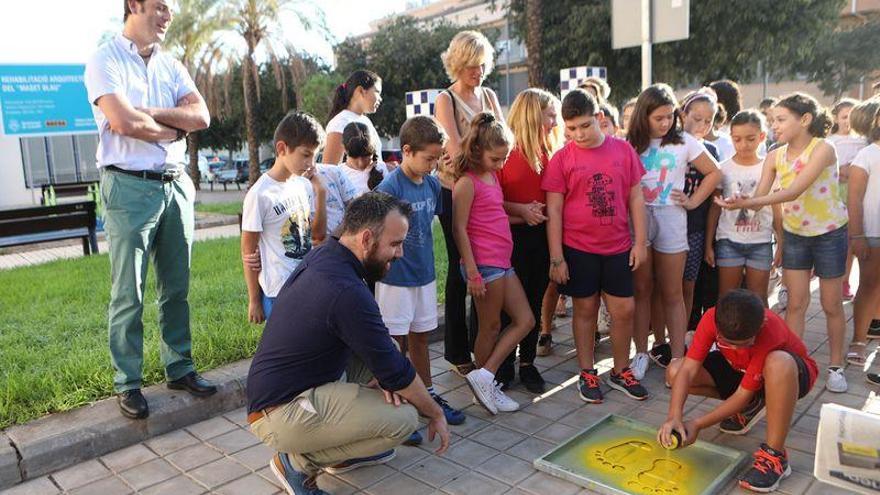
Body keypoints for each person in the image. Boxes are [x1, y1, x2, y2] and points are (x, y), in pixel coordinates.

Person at [246, 192, 450, 494]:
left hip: (300, 385)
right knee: (404, 418)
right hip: (279, 412)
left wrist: (387, 377)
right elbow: (397, 374)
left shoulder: (332, 254)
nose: (401, 254)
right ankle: (297, 463)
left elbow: (383, 354)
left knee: (393, 364)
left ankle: (342, 447)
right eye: (395, 244)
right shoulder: (344, 289)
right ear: (366, 239)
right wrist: (435, 412)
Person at [85, 0, 214, 419]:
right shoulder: (105, 59)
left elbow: (202, 116)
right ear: (134, 4)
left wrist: (155, 114)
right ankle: (129, 383)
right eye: (160, 6)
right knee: (129, 292)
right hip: (128, 187)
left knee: (177, 288)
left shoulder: (172, 65)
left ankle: (180, 367)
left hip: (176, 187)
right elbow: (123, 123)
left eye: (171, 9)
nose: (168, 15)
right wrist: (173, 128)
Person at [716, 93, 849, 393]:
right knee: (797, 303)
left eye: (780, 119)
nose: (774, 125)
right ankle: (793, 363)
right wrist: (740, 202)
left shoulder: (823, 149)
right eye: (773, 120)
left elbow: (793, 191)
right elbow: (759, 197)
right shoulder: (775, 156)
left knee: (831, 304)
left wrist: (751, 201)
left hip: (829, 233)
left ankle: (836, 366)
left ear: (805, 120)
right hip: (796, 235)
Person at [544, 89, 649, 403]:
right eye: (572, 128)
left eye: (585, 126)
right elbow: (555, 211)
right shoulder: (562, 158)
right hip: (578, 248)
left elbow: (635, 198)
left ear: (600, 119)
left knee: (624, 309)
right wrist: (557, 258)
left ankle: (620, 370)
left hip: (617, 246)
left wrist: (640, 242)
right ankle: (587, 372)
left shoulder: (623, 150)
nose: (579, 134)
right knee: (585, 309)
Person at [659, 289, 818, 493]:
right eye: (726, 343)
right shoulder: (711, 317)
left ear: (760, 326)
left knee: (779, 363)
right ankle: (754, 405)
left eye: (743, 344)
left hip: (790, 376)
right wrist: (674, 416)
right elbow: (688, 370)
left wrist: (697, 424)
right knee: (674, 371)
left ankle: (775, 456)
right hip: (744, 371)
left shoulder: (770, 329)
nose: (734, 348)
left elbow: (742, 394)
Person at [374, 116, 466, 433]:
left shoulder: (431, 183)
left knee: (421, 337)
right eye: (428, 158)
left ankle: (427, 395)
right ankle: (398, 403)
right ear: (407, 151)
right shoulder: (388, 189)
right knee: (394, 341)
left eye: (437, 158)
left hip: (424, 275)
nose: (433, 164)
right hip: (395, 280)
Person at [626, 84, 721, 380]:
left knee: (673, 292)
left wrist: (693, 201)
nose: (666, 123)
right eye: (659, 118)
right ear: (644, 116)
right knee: (641, 290)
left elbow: (715, 172)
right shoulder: (629, 143)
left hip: (672, 217)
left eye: (669, 117)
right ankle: (641, 353)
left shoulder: (685, 141)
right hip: (640, 218)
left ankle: (679, 359)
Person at [434, 30, 505, 377]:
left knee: (487, 266)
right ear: (457, 65)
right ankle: (457, 350)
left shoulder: (489, 95)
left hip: (488, 192)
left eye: (481, 65)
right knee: (461, 268)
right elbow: (456, 149)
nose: (476, 72)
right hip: (456, 190)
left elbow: (503, 142)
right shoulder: (445, 99)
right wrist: (483, 159)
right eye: (470, 66)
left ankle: (483, 343)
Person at [453, 113, 534, 414]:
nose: (500, 165)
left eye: (504, 159)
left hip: (501, 261)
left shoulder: (491, 177)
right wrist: (472, 272)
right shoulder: (466, 183)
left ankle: (484, 377)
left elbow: (494, 212)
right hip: (484, 265)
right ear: (477, 151)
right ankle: (484, 382)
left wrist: (524, 213)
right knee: (490, 326)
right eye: (496, 159)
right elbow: (459, 228)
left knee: (525, 320)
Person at [495, 88, 563, 392]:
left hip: (542, 235)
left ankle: (528, 362)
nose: (554, 121)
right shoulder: (504, 154)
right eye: (550, 115)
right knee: (510, 305)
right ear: (534, 114)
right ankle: (505, 364)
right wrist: (522, 212)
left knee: (535, 300)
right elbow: (491, 202)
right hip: (510, 238)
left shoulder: (552, 153)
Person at [241, 112, 327, 323]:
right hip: (278, 292)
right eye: (305, 154)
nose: (311, 163)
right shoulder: (260, 194)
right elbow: (248, 252)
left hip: (307, 283)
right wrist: (254, 300)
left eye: (315, 156)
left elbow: (316, 235)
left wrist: (321, 193)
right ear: (282, 149)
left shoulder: (304, 184)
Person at [705, 110, 781, 306]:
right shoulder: (723, 168)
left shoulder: (769, 167)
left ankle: (761, 337)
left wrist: (781, 242)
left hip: (761, 241)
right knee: (727, 297)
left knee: (759, 298)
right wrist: (708, 244)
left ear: (762, 137)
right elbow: (714, 209)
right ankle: (724, 336)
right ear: (731, 138)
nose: (743, 145)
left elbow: (777, 206)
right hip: (728, 241)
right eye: (737, 139)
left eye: (750, 139)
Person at [847, 98, 880, 371]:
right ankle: (858, 339)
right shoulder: (867, 155)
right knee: (868, 286)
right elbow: (854, 198)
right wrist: (857, 236)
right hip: (872, 233)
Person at [828, 98, 866, 300]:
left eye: (851, 117)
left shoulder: (863, 141)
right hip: (834, 195)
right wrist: (842, 171)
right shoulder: (830, 141)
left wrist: (850, 171)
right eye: (844, 116)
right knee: (837, 239)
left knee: (852, 239)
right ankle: (831, 277)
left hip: (855, 193)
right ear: (836, 117)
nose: (847, 121)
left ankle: (845, 281)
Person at [323, 70, 384, 167]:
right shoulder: (341, 122)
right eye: (377, 92)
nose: (380, 98)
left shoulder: (365, 120)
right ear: (360, 91)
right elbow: (329, 169)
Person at [340, 122, 384, 196]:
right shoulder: (338, 174)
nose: (361, 163)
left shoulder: (382, 168)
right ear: (344, 149)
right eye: (354, 156)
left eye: (366, 155)